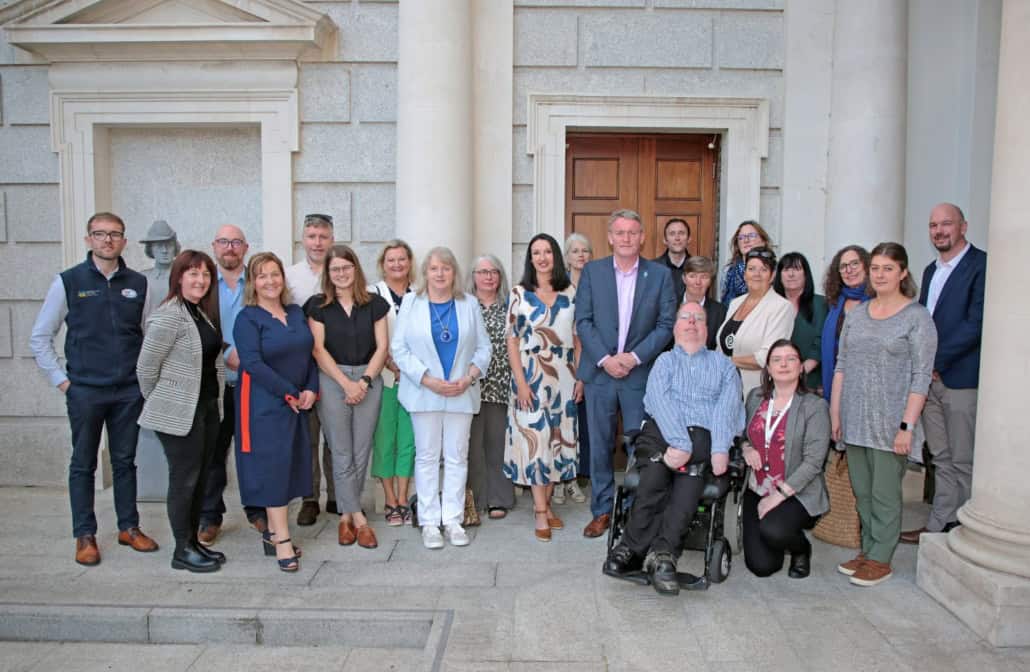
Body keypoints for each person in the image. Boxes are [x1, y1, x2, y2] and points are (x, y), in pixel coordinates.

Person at [29, 211, 158, 566]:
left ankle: (129, 527)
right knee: (83, 464)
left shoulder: (137, 283)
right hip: (85, 390)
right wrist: (64, 382)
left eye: (114, 234)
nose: (107, 240)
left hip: (128, 391)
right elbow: (40, 338)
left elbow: (147, 333)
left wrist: (144, 380)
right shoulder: (68, 282)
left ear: (124, 241)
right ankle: (84, 534)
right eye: (100, 234)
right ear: (88, 240)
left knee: (125, 461)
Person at [604, 302, 744, 595]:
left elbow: (727, 407)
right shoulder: (665, 362)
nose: (692, 323)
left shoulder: (724, 366)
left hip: (704, 434)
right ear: (676, 328)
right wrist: (679, 442)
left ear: (707, 329)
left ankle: (661, 554)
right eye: (685, 318)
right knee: (656, 472)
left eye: (698, 319)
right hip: (662, 431)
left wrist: (720, 447)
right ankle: (633, 549)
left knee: (690, 476)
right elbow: (658, 400)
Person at [831, 242, 937, 587]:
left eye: (887, 268)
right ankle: (868, 549)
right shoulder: (858, 313)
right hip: (854, 418)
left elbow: (922, 375)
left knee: (884, 493)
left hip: (891, 422)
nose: (880, 274)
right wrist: (836, 413)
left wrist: (907, 426)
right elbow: (842, 365)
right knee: (862, 491)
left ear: (903, 272)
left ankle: (881, 558)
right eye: (875, 268)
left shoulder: (916, 317)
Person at [575, 209, 677, 538]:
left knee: (641, 446)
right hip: (600, 374)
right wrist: (605, 359)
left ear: (643, 237)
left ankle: (635, 513)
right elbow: (583, 321)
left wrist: (632, 357)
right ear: (610, 237)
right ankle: (602, 511)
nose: (626, 238)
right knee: (600, 445)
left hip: (639, 375)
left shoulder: (659, 276)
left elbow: (665, 325)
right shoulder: (593, 272)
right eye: (620, 233)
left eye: (633, 232)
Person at [391, 247, 491, 549]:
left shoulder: (469, 304)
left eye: (446, 268)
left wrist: (469, 376)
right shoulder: (411, 302)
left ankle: (453, 519)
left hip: (461, 391)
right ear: (425, 273)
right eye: (434, 268)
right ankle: (430, 522)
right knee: (427, 457)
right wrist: (427, 379)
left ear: (454, 273)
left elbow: (484, 348)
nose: (440, 274)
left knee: (457, 457)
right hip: (424, 392)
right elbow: (399, 349)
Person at [900, 203, 986, 544]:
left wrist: (937, 361)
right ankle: (939, 525)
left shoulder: (980, 266)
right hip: (930, 380)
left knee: (963, 458)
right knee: (941, 457)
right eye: (933, 225)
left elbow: (975, 325)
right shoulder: (930, 270)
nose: (939, 231)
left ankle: (966, 532)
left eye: (946, 224)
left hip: (960, 379)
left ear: (963, 226)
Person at [136, 250, 226, 573]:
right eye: (193, 274)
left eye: (205, 275)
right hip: (179, 415)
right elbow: (146, 369)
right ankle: (182, 550)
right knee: (185, 480)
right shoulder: (169, 315)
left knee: (200, 479)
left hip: (205, 409)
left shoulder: (200, 313)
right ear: (179, 277)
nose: (200, 280)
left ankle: (192, 542)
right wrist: (162, 403)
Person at [234, 252, 319, 572]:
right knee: (272, 470)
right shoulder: (248, 318)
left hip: (296, 404)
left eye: (275, 274)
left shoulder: (296, 313)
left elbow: (309, 355)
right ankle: (282, 539)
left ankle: (272, 533)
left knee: (289, 466)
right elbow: (253, 364)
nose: (270, 281)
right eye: (262, 276)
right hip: (264, 405)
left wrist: (311, 388)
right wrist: (290, 393)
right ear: (253, 283)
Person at [308, 245, 390, 550]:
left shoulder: (375, 304)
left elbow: (382, 347)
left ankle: (345, 516)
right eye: (335, 269)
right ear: (328, 274)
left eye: (346, 267)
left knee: (361, 450)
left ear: (355, 269)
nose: (341, 274)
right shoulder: (318, 306)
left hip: (369, 378)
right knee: (340, 450)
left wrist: (365, 381)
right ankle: (359, 520)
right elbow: (318, 349)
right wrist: (345, 383)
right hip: (332, 380)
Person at [504, 234, 582, 541]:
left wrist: (580, 377)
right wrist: (521, 383)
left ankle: (547, 504)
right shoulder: (519, 293)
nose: (542, 257)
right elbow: (511, 340)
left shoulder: (571, 291)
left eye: (547, 251)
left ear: (555, 256)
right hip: (531, 377)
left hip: (564, 375)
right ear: (530, 259)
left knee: (557, 442)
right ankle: (539, 511)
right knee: (536, 441)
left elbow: (577, 338)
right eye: (536, 252)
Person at [198, 225, 266, 544]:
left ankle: (258, 511)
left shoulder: (256, 282)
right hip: (214, 381)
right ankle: (210, 516)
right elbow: (194, 324)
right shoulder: (203, 284)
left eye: (236, 242)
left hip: (252, 383)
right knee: (213, 452)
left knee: (252, 449)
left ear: (245, 247)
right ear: (214, 246)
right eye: (224, 242)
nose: (230, 248)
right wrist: (225, 350)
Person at [741, 339, 830, 579]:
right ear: (768, 369)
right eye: (776, 360)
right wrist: (747, 448)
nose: (784, 364)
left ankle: (801, 548)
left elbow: (814, 463)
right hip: (758, 488)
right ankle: (776, 538)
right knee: (761, 567)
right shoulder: (755, 397)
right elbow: (741, 435)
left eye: (791, 359)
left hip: (796, 491)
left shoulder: (814, 406)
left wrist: (778, 496)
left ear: (801, 367)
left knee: (775, 530)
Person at [285, 213, 336, 526]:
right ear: (303, 239)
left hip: (336, 366)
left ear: (332, 239)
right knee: (309, 437)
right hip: (302, 368)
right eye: (312, 236)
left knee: (336, 436)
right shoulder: (289, 277)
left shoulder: (341, 271)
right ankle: (309, 498)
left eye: (323, 236)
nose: (317, 242)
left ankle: (336, 495)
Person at [369, 240, 417, 526]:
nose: (397, 264)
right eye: (391, 260)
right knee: (385, 439)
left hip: (413, 380)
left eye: (402, 259)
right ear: (383, 264)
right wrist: (388, 363)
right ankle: (389, 500)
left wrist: (409, 369)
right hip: (384, 377)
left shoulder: (420, 295)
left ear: (410, 262)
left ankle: (402, 497)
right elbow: (368, 336)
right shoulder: (373, 294)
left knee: (409, 441)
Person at [467, 254, 515, 520]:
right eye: (482, 271)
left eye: (494, 271)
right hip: (469, 386)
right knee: (472, 447)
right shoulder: (463, 305)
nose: (488, 276)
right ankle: (475, 499)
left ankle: (498, 498)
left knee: (498, 444)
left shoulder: (510, 307)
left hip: (500, 386)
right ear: (472, 276)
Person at [716, 247, 796, 397]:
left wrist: (725, 362)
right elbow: (722, 346)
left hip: (756, 392)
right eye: (752, 269)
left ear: (772, 276)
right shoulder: (735, 303)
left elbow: (767, 356)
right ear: (745, 274)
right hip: (724, 391)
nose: (756, 274)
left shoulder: (781, 307)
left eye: (763, 270)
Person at [562, 233, 593, 502]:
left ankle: (575, 477)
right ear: (567, 257)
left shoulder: (596, 286)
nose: (580, 255)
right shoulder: (560, 289)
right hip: (562, 362)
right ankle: (561, 479)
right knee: (563, 421)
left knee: (581, 423)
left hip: (590, 360)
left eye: (585, 251)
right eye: (575, 251)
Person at [820, 245, 871, 401]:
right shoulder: (835, 303)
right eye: (843, 267)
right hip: (837, 380)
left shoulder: (877, 301)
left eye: (854, 264)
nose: (849, 270)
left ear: (867, 266)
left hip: (867, 382)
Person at [773, 253, 828, 392]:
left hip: (810, 382)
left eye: (797, 269)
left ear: (806, 274)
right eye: (786, 270)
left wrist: (801, 370)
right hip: (775, 381)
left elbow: (822, 341)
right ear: (779, 275)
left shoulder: (821, 304)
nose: (791, 274)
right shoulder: (772, 306)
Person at [721, 220, 772, 305]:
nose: (746, 240)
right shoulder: (728, 272)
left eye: (751, 236)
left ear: (763, 241)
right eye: (741, 237)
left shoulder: (775, 269)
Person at [681, 256, 726, 351]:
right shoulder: (669, 307)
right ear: (684, 279)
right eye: (692, 276)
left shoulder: (720, 312)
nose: (698, 282)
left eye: (704, 277)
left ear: (710, 281)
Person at [654, 218, 691, 301]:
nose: (677, 238)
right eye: (672, 234)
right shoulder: (653, 268)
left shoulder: (697, 268)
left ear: (689, 239)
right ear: (665, 240)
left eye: (681, 233)